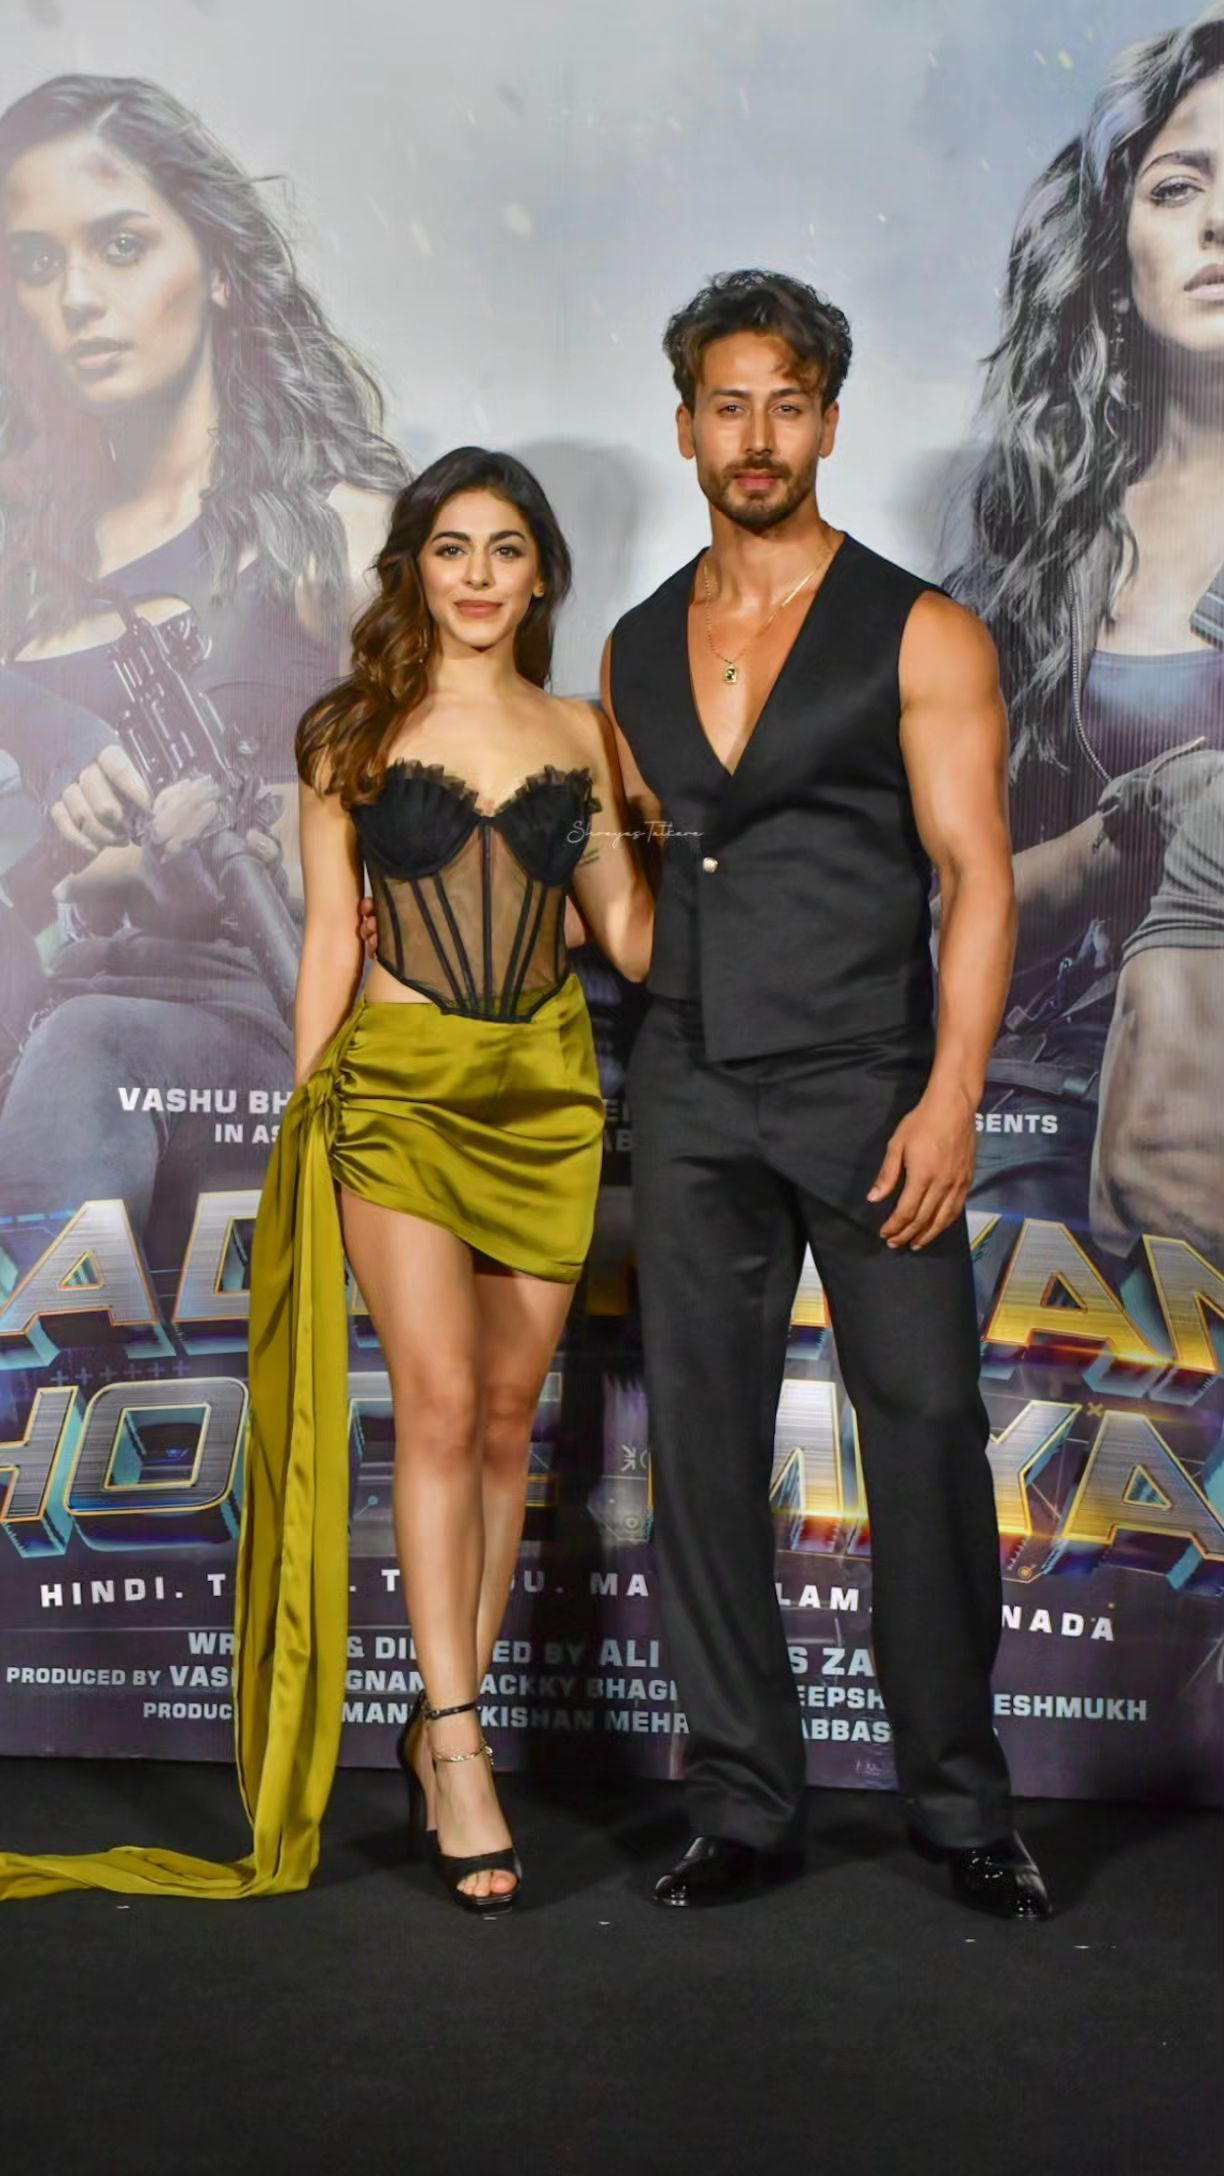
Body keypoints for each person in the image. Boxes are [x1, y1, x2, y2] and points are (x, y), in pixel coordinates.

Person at [0, 446, 654, 1910]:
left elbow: (628, 934)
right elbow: (326, 951)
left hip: (547, 1099)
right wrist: (310, 1108)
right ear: (413, 570)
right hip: (397, 1095)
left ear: (541, 575)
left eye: (505, 549)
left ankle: (437, 1720)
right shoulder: (348, 732)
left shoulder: (583, 733)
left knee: (508, 1422)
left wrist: (739, 848)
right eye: (451, 548)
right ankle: (464, 1749)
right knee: (438, 1405)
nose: (478, 575)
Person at [602, 269, 1050, 1918]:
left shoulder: (920, 630)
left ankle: (959, 1807)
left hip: (870, 1088)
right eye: (727, 405)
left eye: (785, 406)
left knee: (923, 1429)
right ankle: (741, 1804)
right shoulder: (636, 644)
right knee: (703, 1452)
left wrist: (950, 1098)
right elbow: (648, 889)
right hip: (689, 1091)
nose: (756, 436)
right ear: (685, 428)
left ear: (828, 425)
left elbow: (977, 877)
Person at [0, 73, 405, 1261]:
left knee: (91, 1052)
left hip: (260, 1027)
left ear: (219, 267)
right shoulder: (21, 573)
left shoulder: (342, 538)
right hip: (45, 1017)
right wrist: (57, 817)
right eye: (36, 263)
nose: (79, 299)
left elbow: (461, 833)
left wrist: (263, 823)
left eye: (121, 246)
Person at [949, 11, 1224, 1265]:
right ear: (1117, 250)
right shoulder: (1037, 564)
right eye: (1179, 186)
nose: (1218, 224)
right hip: (1059, 1125)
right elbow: (960, 908)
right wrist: (1129, 835)